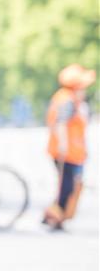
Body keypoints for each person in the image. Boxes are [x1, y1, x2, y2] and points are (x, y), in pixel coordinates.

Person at [43, 63, 95, 231]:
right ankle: (54, 217)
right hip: (66, 152)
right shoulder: (67, 100)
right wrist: (63, 145)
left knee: (68, 186)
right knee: (66, 187)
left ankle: (56, 216)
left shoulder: (68, 98)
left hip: (73, 152)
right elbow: (61, 124)